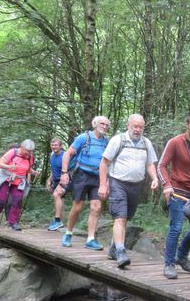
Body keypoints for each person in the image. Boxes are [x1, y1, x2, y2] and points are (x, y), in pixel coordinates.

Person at [98, 114, 159, 268]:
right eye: (135, 126)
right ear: (128, 126)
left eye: (141, 127)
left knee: (126, 218)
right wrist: (103, 184)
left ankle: (113, 247)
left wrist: (155, 178)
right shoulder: (118, 140)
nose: (138, 130)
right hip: (118, 183)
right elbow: (104, 163)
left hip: (136, 186)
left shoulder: (146, 143)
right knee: (120, 218)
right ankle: (120, 252)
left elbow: (150, 163)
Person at [157, 113, 190, 279]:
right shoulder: (175, 142)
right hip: (177, 191)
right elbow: (161, 166)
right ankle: (169, 264)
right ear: (187, 125)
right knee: (176, 228)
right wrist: (167, 186)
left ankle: (181, 255)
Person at [59, 116, 110, 250]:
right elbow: (67, 154)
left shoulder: (107, 142)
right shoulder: (84, 137)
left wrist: (106, 181)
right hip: (81, 175)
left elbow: (108, 162)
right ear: (95, 124)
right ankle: (68, 233)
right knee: (78, 206)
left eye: (106, 125)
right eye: (102, 124)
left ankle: (91, 239)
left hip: (98, 177)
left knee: (96, 207)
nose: (104, 126)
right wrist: (64, 173)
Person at [0, 139, 38, 231]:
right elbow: (0, 164)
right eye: (28, 151)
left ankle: (13, 222)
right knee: (1, 201)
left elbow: (28, 169)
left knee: (17, 201)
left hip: (19, 181)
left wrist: (34, 172)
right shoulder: (12, 152)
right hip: (6, 179)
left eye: (31, 151)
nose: (29, 153)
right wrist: (9, 167)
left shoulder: (30, 157)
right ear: (22, 147)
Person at [46, 138, 70, 231]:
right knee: (60, 200)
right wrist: (49, 180)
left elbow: (68, 169)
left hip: (65, 180)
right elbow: (53, 169)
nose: (53, 147)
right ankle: (60, 222)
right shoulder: (52, 155)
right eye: (52, 145)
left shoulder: (65, 155)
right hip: (55, 181)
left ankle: (57, 221)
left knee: (57, 195)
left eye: (56, 145)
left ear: (60, 146)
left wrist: (63, 180)